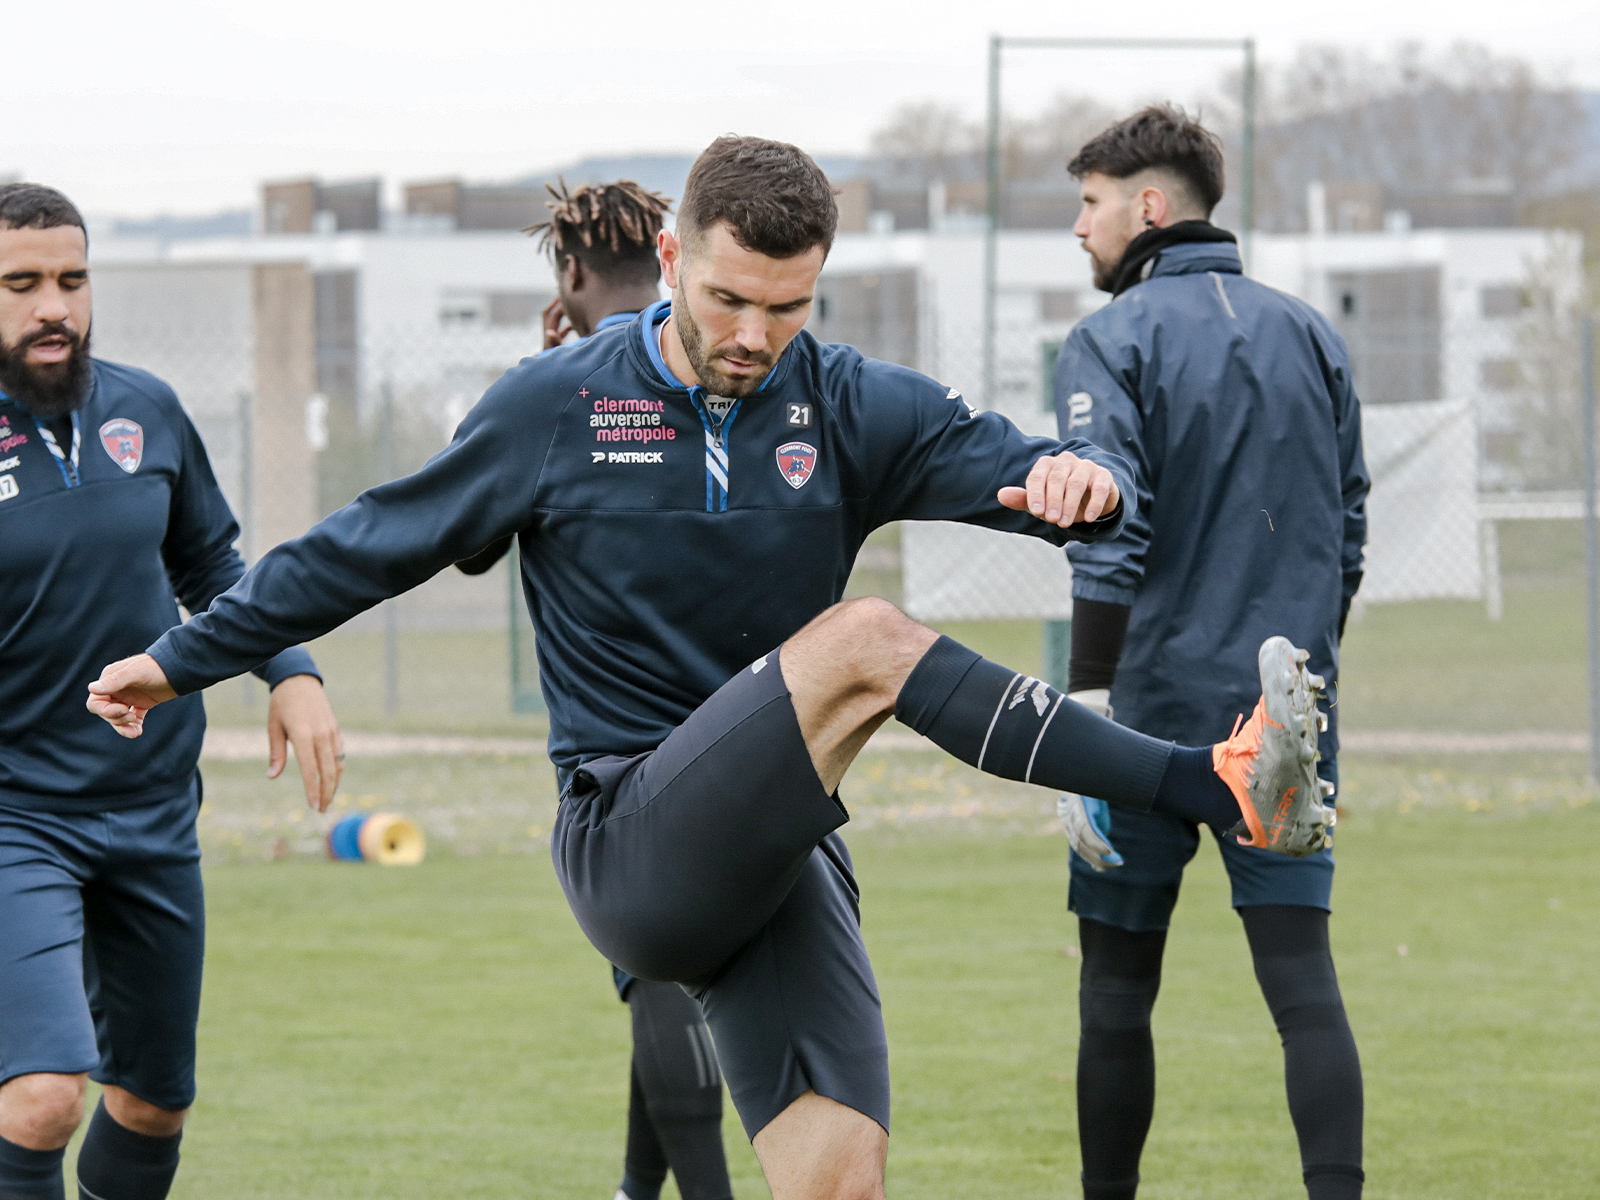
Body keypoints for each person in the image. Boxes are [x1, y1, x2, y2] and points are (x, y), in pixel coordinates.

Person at [86, 136, 1333, 1200]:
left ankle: (1225, 786)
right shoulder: (555, 405)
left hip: (777, 865)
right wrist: (179, 660)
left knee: (839, 1173)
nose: (754, 336)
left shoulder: (848, 403)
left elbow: (1044, 484)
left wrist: (1088, 485)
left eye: (787, 308)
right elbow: (361, 551)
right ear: (673, 258)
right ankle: (1218, 786)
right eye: (729, 299)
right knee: (864, 639)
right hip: (628, 834)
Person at [0, 183, 343, 1200]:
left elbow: (215, 565)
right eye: (19, 284)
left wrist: (290, 668)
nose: (51, 306)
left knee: (152, 1102)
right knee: (43, 1095)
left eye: (70, 279)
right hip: (18, 814)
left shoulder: (146, 408)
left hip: (154, 809)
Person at [1051, 107, 1370, 1200]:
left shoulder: (1110, 338)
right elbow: (1351, 523)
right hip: (1284, 724)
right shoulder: (1311, 332)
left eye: (1088, 203)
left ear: (1146, 206)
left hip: (1139, 725)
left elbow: (1106, 526)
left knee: (1113, 995)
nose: (1077, 228)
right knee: (1303, 987)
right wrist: (1307, 681)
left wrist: (1085, 705)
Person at [457, 177, 735, 1200]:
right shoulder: (713, 360)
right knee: (659, 964)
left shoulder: (563, 389)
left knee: (659, 977)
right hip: (752, 716)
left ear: (568, 275)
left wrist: (545, 370)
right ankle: (635, 1189)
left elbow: (473, 548)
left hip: (626, 747)